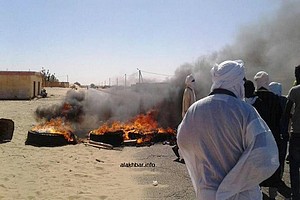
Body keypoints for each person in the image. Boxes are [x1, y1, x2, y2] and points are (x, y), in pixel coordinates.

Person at [177, 60, 279, 199]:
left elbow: (182, 141)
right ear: (235, 82)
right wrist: (235, 181)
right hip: (241, 194)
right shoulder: (245, 111)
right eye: (242, 81)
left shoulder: (195, 109)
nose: (243, 85)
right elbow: (265, 154)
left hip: (207, 193)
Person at [253, 72, 291, 199]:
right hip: (273, 140)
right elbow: (281, 119)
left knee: (256, 169)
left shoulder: (252, 99)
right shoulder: (276, 99)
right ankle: (272, 196)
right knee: (273, 169)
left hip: (256, 140)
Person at [283, 65, 300, 199]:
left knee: (294, 167)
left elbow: (287, 111)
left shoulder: (294, 90)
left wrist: (283, 131)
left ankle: (296, 194)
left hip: (297, 134)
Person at [172, 74, 196, 163]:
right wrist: (187, 117)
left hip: (191, 117)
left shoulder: (191, 91)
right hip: (188, 117)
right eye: (192, 81)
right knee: (187, 136)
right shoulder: (187, 91)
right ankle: (179, 151)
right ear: (189, 82)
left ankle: (178, 149)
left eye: (194, 81)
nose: (194, 82)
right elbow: (186, 106)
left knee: (188, 136)